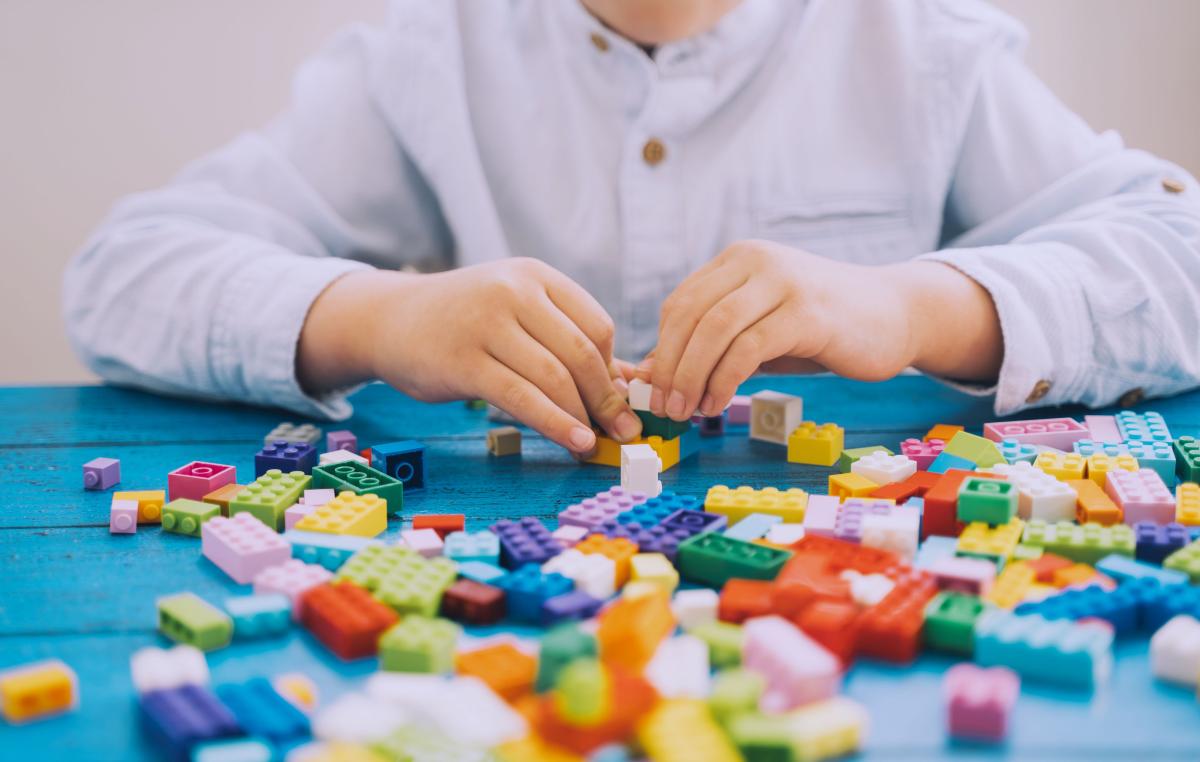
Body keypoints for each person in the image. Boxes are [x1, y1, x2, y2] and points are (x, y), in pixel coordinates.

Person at [63, 0, 1200, 456]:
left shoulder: (920, 42)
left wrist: (912, 305)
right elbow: (123, 274)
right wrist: (379, 313)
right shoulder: (429, 51)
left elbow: (1178, 249)